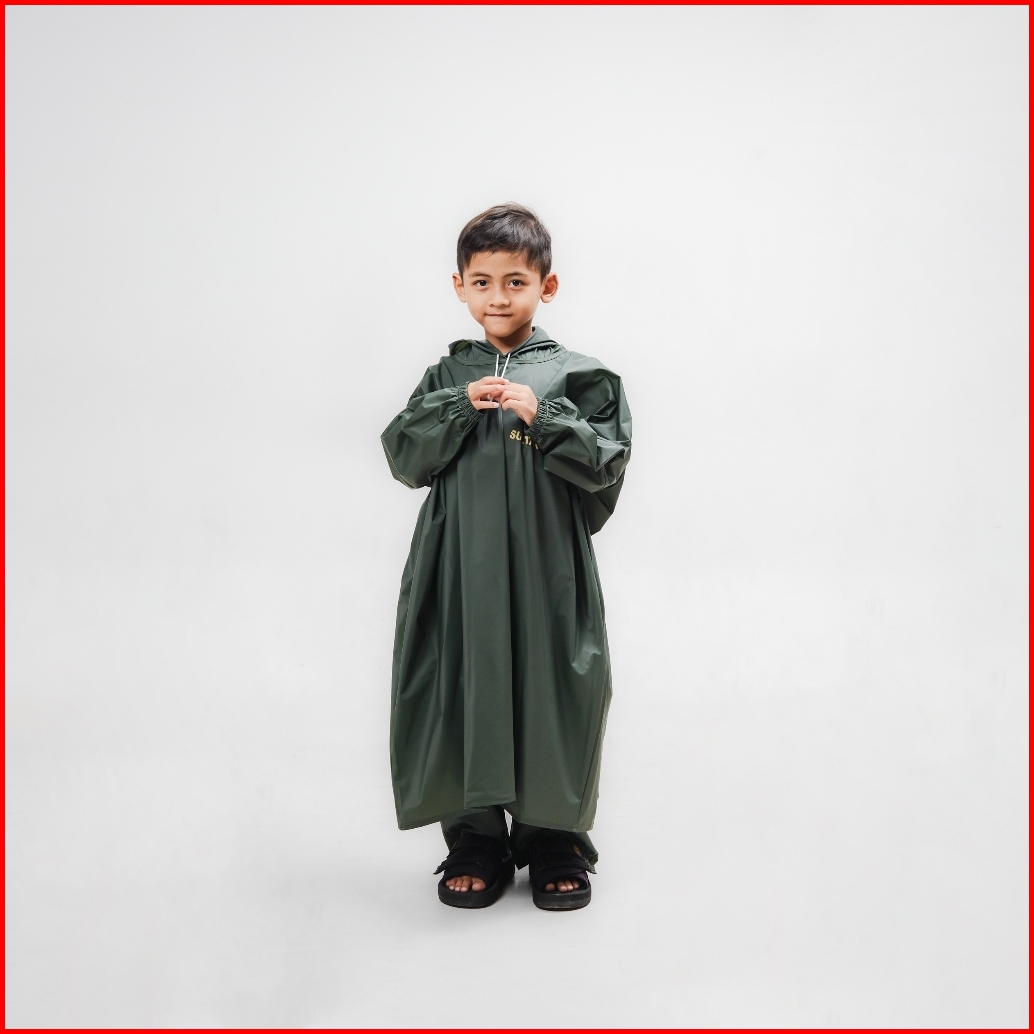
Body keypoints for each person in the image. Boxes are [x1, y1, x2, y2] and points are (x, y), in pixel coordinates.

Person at [380, 204, 632, 911]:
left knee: (554, 684)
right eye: (483, 282)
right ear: (459, 286)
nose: (498, 297)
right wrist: (460, 405)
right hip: (460, 565)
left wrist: (543, 415)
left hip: (548, 567)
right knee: (463, 677)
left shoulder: (579, 376)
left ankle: (554, 840)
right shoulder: (446, 374)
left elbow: (607, 463)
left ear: (546, 286)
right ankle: (476, 839)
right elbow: (404, 457)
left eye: (515, 282)